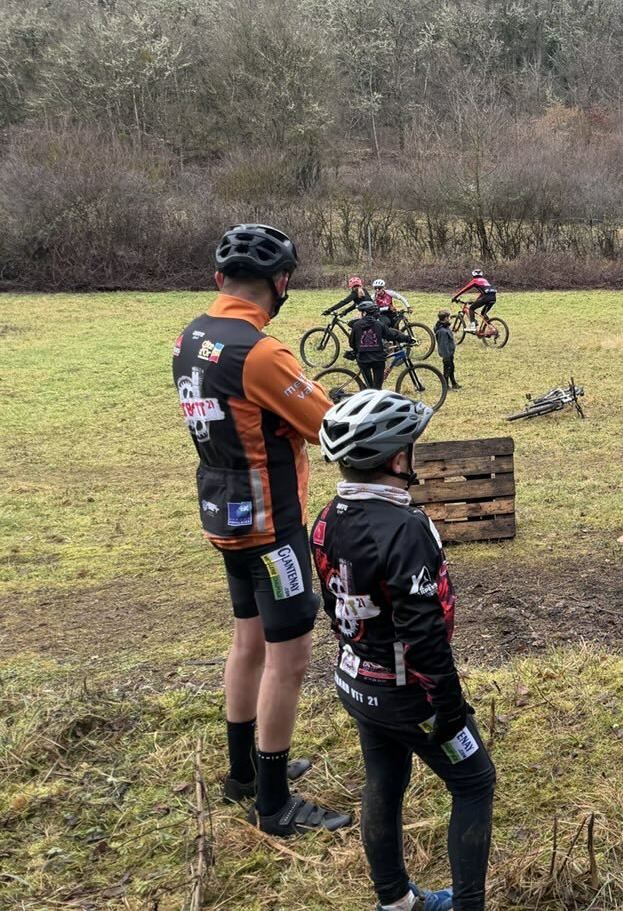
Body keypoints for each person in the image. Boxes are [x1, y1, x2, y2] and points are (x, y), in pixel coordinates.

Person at [172, 223, 348, 836]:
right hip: (272, 526)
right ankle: (273, 803)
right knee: (290, 654)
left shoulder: (191, 336)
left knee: (247, 639)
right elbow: (325, 425)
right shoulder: (261, 352)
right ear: (281, 283)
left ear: (219, 279)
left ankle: (242, 771)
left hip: (223, 511)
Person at [311, 390, 495, 911]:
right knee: (474, 780)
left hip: (355, 678)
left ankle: (394, 902)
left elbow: (332, 602)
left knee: (384, 777)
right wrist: (449, 707)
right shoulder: (405, 528)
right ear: (397, 459)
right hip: (406, 694)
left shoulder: (325, 517)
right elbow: (424, 632)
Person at [349, 301, 409, 391]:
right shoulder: (379, 325)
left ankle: (368, 392)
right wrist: (407, 338)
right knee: (377, 387)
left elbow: (352, 343)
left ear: (364, 313)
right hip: (378, 359)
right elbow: (392, 335)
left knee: (369, 386)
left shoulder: (356, 325)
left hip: (363, 359)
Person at [434, 310, 460, 391]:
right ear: (445, 318)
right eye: (448, 317)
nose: (449, 319)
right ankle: (446, 385)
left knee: (451, 368)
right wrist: (446, 356)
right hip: (447, 354)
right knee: (447, 370)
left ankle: (453, 383)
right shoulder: (442, 331)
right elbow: (443, 345)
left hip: (450, 353)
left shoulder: (445, 327)